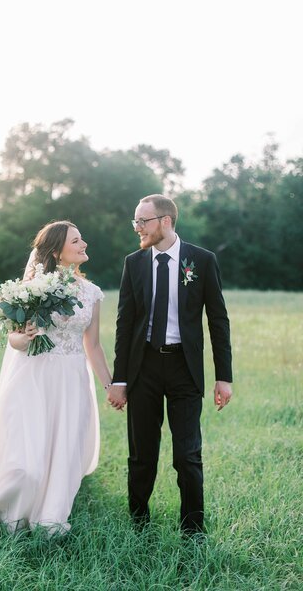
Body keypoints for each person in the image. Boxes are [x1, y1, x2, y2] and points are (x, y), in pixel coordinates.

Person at [0, 221, 114, 534]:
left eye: (82, 239)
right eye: (76, 241)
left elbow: (93, 346)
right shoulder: (32, 289)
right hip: (34, 378)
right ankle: (7, 499)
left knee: (62, 446)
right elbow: (14, 340)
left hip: (72, 380)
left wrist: (111, 386)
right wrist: (24, 337)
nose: (84, 244)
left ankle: (51, 506)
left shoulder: (92, 293)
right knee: (25, 460)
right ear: (57, 251)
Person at [108, 194, 232, 535]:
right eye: (136, 221)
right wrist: (119, 379)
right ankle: (138, 524)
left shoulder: (201, 261)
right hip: (143, 367)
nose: (137, 228)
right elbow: (125, 323)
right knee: (141, 455)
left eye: (142, 221)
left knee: (187, 456)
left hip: (184, 369)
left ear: (165, 221)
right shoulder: (134, 263)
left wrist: (224, 377)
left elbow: (218, 321)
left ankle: (193, 530)